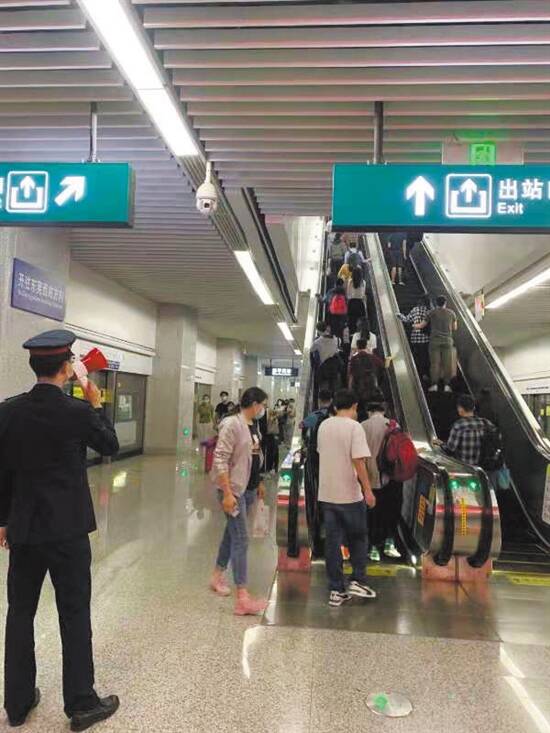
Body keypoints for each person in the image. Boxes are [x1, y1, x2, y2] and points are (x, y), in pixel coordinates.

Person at [0, 329, 120, 731]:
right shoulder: (78, 411)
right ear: (67, 367)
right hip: (68, 531)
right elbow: (110, 445)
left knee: (20, 612)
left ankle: (17, 703)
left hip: (24, 530)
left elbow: (2, 471)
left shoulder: (7, 411)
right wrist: (95, 402)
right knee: (74, 612)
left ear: (34, 365)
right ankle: (82, 704)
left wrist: (3, 520)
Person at [210, 386, 269, 615]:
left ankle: (217, 576)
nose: (263, 409)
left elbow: (254, 455)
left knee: (231, 534)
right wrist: (227, 493)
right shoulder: (232, 424)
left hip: (248, 488)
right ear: (254, 404)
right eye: (262, 405)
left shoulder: (253, 425)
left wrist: (259, 481)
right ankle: (242, 598)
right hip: (233, 490)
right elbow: (220, 458)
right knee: (242, 539)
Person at [317, 388, 377, 607]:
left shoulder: (324, 426)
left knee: (332, 543)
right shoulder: (354, 427)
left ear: (335, 406)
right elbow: (358, 461)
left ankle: (336, 589)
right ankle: (357, 581)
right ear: (354, 407)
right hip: (350, 496)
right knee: (358, 538)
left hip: (327, 494)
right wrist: (368, 490)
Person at [361, 400, 402, 562]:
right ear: (383, 411)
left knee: (370, 513)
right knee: (387, 511)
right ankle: (386, 544)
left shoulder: (363, 426)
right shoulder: (393, 425)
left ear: (369, 411)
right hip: (389, 476)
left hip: (368, 476)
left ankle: (371, 547)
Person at [435, 393, 494, 465]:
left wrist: (441, 443)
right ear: (473, 408)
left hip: (465, 466)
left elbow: (450, 449)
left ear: (460, 408)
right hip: (483, 466)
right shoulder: (486, 422)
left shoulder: (459, 425)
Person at [415, 296, 457, 393]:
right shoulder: (452, 313)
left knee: (435, 364)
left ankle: (434, 385)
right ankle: (447, 386)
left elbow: (421, 325)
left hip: (435, 341)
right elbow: (454, 328)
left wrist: (414, 325)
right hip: (447, 341)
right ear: (445, 303)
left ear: (436, 303)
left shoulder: (431, 312)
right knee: (447, 363)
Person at [348, 339, 389, 422]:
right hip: (372, 389)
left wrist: (350, 391)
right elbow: (383, 368)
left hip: (359, 391)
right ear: (366, 346)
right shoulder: (374, 358)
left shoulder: (354, 359)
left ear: (357, 347)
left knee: (361, 412)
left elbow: (351, 376)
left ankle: (362, 424)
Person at [398, 295, 431, 385]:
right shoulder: (429, 312)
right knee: (424, 357)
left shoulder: (415, 310)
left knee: (416, 355)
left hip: (415, 338)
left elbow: (406, 319)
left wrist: (399, 315)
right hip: (425, 339)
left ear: (420, 301)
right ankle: (424, 374)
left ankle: (414, 372)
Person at [311, 321, 342, 397]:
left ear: (318, 330)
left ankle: (325, 402)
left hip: (324, 370)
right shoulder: (337, 339)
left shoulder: (317, 342)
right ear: (326, 328)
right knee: (336, 390)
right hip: (335, 368)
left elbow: (311, 350)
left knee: (324, 391)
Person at [346, 266, 367, 335]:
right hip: (360, 304)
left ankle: (352, 335)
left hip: (352, 303)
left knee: (351, 321)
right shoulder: (363, 282)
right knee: (361, 321)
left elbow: (348, 294)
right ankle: (360, 334)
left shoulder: (350, 281)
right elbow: (363, 294)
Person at [264, 405, 280, 474]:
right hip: (270, 436)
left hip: (274, 436)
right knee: (271, 452)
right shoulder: (270, 419)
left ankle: (273, 467)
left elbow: (278, 414)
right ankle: (271, 467)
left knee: (274, 452)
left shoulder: (273, 418)